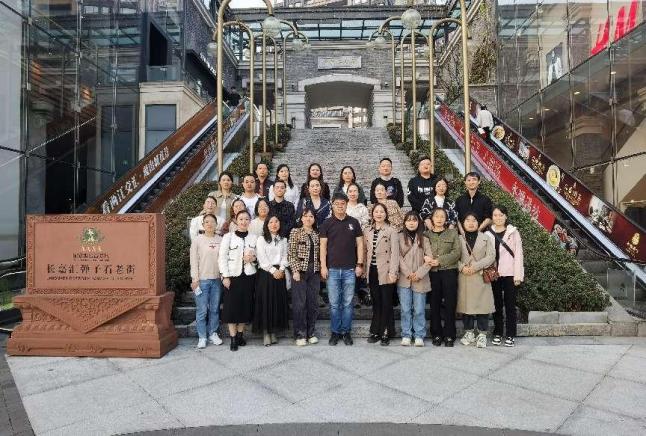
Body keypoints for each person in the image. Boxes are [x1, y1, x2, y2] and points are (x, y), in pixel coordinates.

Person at [319, 192, 364, 346]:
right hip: (332, 269)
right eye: (337, 204)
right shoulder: (326, 223)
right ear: (332, 205)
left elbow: (360, 244)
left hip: (350, 270)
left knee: (347, 303)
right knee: (334, 303)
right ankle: (335, 332)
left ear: (346, 204)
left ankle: (346, 332)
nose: (340, 206)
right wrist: (323, 266)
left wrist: (360, 264)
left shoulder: (354, 222)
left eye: (342, 203)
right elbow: (323, 247)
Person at [218, 210, 258, 351]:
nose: (243, 222)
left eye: (246, 219)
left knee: (245, 307)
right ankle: (233, 338)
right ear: (236, 220)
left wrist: (253, 259)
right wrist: (225, 276)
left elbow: (258, 258)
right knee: (231, 308)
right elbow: (222, 257)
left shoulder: (254, 238)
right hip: (232, 277)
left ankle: (240, 335)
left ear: (250, 221)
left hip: (248, 277)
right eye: (241, 219)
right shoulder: (228, 237)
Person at [457, 213, 496, 349]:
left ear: (479, 223)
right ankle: (469, 333)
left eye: (474, 220)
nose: (471, 223)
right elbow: (454, 257)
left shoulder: (485, 238)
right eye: (467, 220)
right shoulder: (458, 238)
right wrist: (462, 267)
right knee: (466, 307)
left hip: (480, 276)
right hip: (464, 277)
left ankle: (482, 334)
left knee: (482, 307)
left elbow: (491, 256)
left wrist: (476, 266)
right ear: (463, 223)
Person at [424, 208, 461, 347]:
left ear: (446, 219)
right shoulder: (426, 235)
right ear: (432, 219)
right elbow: (421, 251)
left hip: (449, 271)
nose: (439, 219)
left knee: (450, 303)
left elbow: (456, 253)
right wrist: (427, 258)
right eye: (436, 216)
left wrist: (440, 260)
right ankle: (436, 334)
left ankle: (450, 334)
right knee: (434, 303)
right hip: (432, 273)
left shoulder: (452, 233)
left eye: (442, 217)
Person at [489, 205, 524, 347]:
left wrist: (518, 276)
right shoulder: (488, 233)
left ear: (506, 216)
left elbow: (519, 255)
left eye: (501, 215)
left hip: (510, 273)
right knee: (496, 305)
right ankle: (498, 332)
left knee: (510, 305)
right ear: (492, 217)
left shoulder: (513, 232)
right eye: (495, 215)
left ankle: (510, 334)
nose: (498, 218)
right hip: (494, 274)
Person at [364, 203, 399, 346]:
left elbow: (395, 253)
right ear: (372, 214)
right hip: (372, 271)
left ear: (386, 214)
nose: (379, 214)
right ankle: (375, 331)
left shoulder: (391, 231)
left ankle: (386, 332)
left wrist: (393, 272)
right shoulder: (367, 230)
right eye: (376, 212)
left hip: (386, 270)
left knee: (386, 302)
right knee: (376, 302)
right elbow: (365, 252)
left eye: (381, 212)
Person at [397, 211, 432, 347]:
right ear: (404, 223)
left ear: (419, 222)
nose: (411, 223)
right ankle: (406, 334)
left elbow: (429, 259)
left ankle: (419, 335)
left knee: (419, 309)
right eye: (409, 220)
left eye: (414, 220)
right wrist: (407, 272)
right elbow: (397, 257)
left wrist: (419, 273)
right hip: (404, 278)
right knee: (405, 309)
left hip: (420, 278)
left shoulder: (424, 238)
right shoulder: (399, 237)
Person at [254, 215, 289, 346]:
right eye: (271, 222)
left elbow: (285, 256)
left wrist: (281, 269)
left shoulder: (283, 239)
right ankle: (265, 333)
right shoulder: (261, 239)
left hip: (280, 273)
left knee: (277, 303)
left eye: (276, 221)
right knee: (266, 303)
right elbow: (261, 258)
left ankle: (273, 331)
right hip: (266, 274)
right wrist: (274, 271)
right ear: (267, 225)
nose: (274, 224)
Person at [189, 214, 224, 349]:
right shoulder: (197, 240)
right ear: (203, 225)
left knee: (214, 309)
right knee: (202, 310)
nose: (209, 224)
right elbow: (193, 261)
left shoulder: (221, 240)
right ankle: (202, 337)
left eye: (212, 222)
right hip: (202, 280)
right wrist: (195, 279)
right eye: (206, 222)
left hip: (217, 280)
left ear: (216, 224)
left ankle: (213, 333)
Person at [288, 208, 321, 346]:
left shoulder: (317, 234)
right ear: (301, 218)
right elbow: (291, 253)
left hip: (314, 271)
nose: (308, 218)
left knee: (312, 303)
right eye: (306, 216)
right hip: (300, 271)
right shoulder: (295, 232)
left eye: (311, 216)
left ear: (314, 219)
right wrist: (295, 270)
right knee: (299, 304)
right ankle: (300, 334)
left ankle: (310, 333)